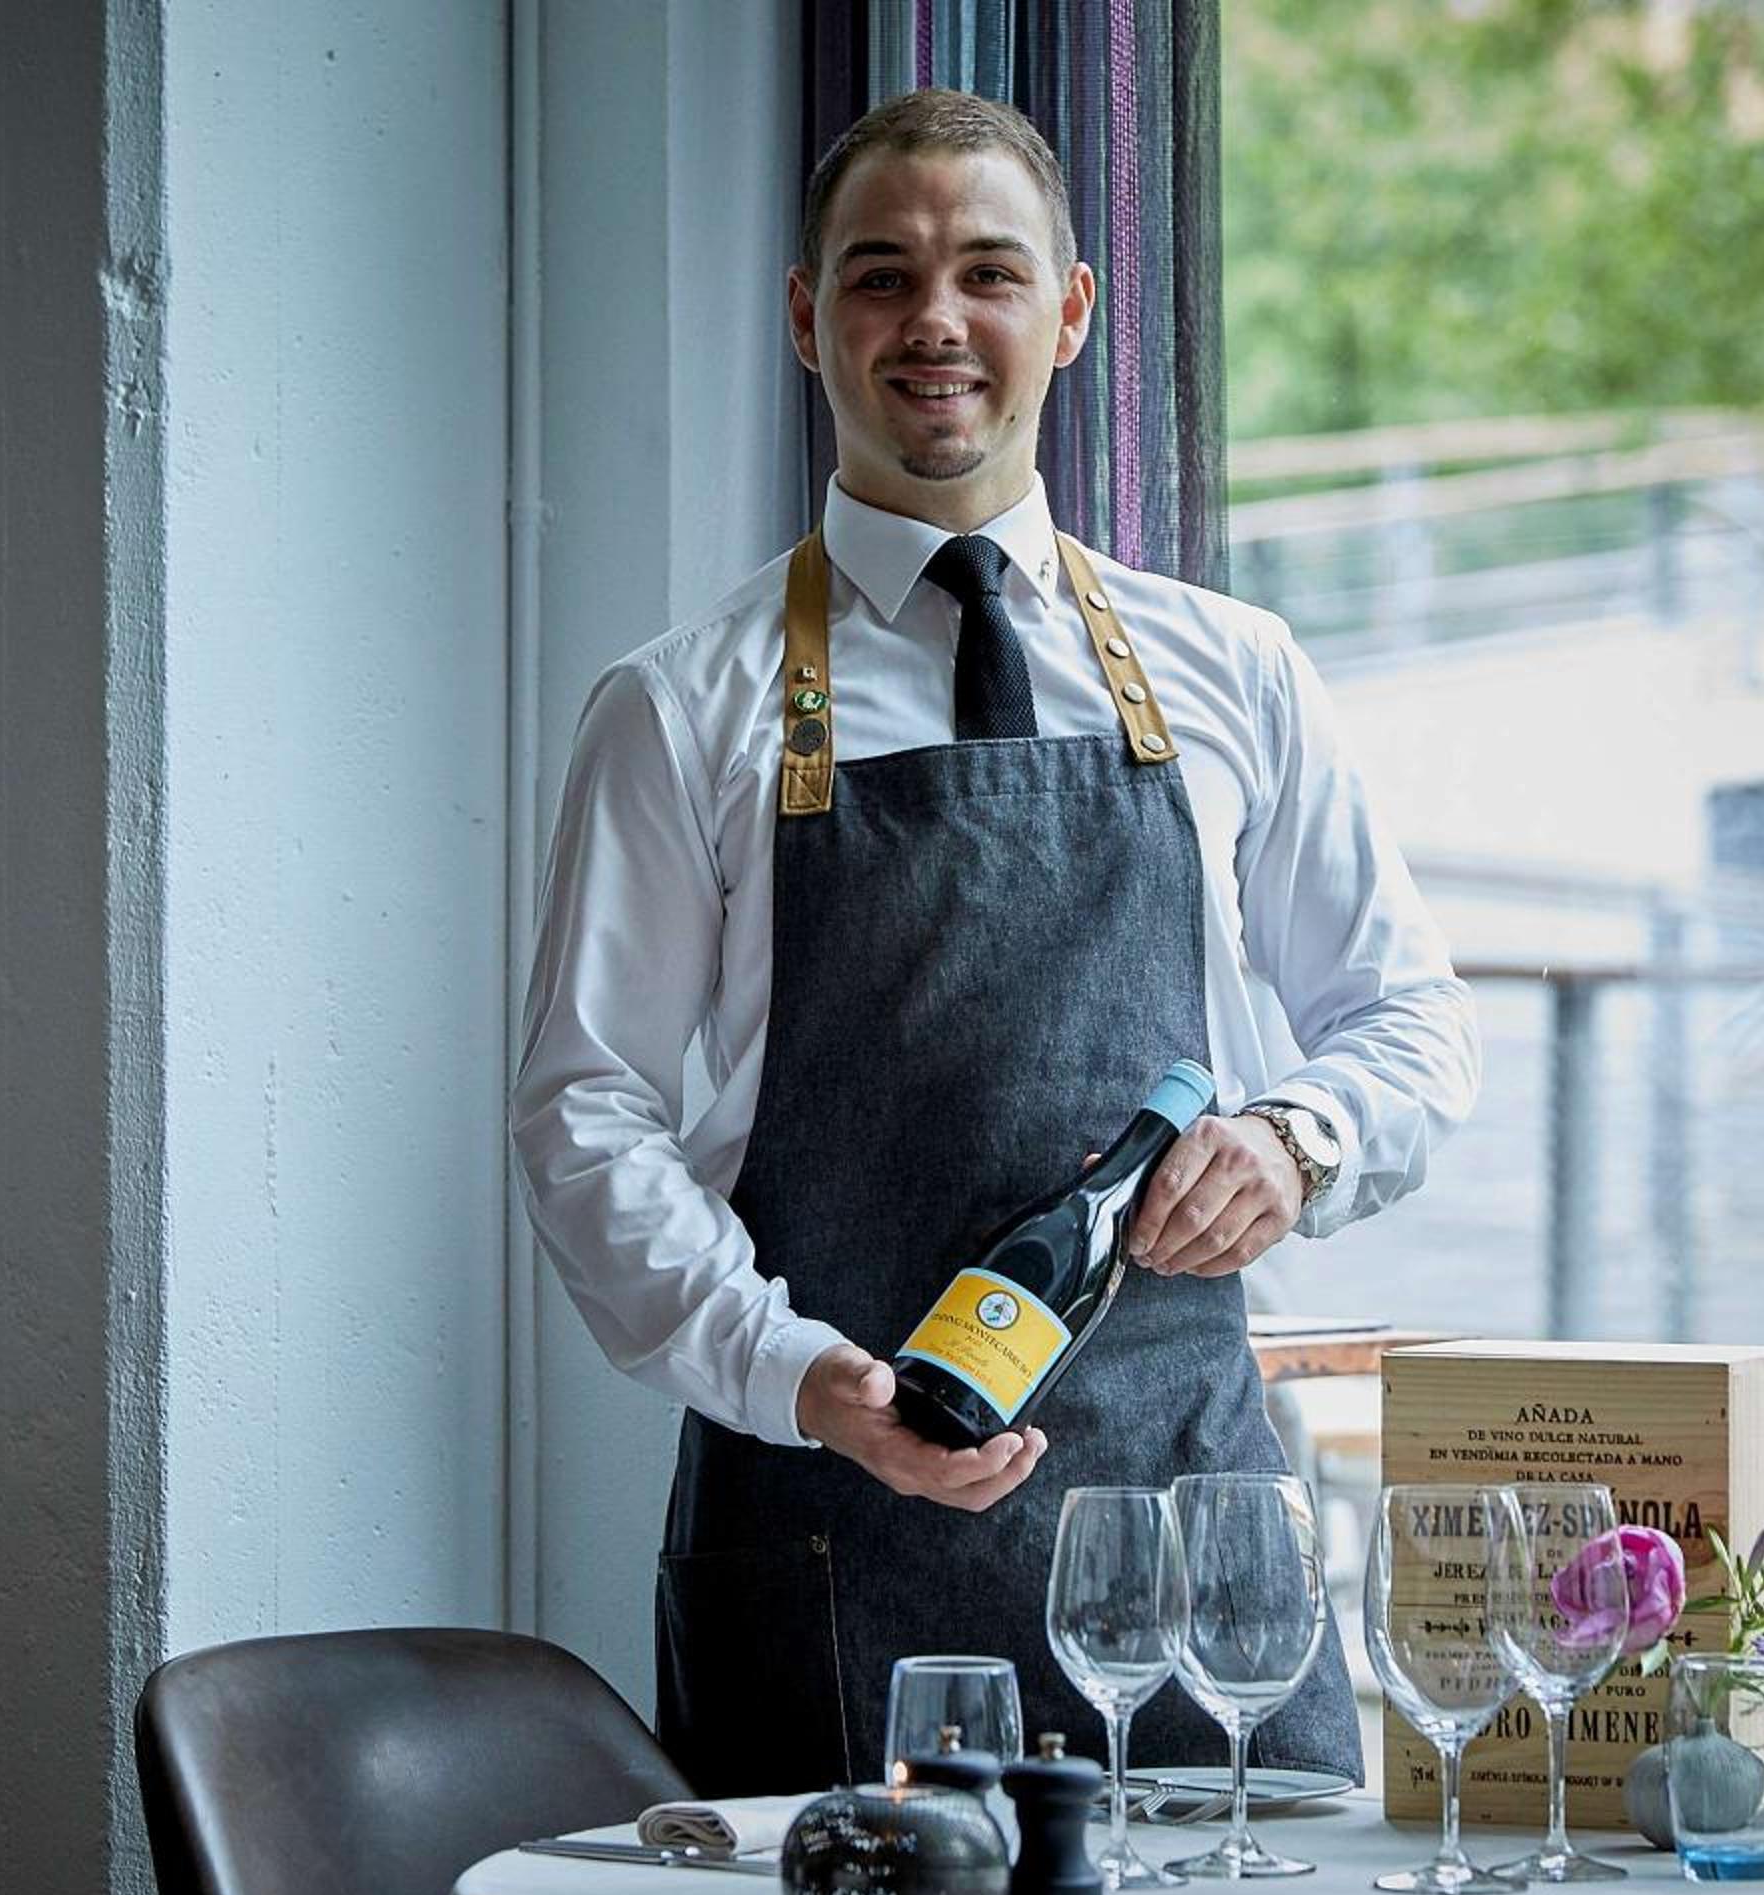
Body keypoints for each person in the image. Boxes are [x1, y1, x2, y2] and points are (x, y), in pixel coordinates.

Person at [510, 88, 1479, 1799]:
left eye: (989, 272)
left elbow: (1409, 1021)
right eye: (881, 276)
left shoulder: (1235, 669)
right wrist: (798, 1377)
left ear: (1074, 311)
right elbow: (585, 1115)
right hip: (825, 1524)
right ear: (807, 317)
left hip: (1186, 1542)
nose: (935, 321)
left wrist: (1296, 1141)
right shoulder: (680, 707)